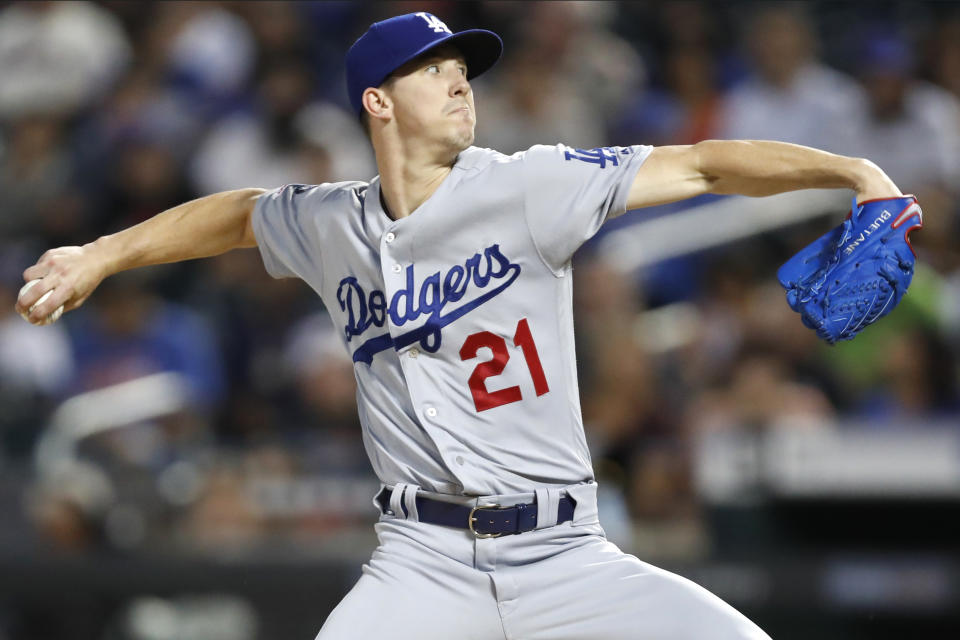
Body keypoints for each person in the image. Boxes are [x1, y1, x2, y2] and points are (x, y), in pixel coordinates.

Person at [17, 12, 904, 640]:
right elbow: (238, 214)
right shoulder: (330, 223)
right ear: (376, 101)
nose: (458, 81)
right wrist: (101, 254)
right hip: (422, 559)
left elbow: (704, 166)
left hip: (568, 556)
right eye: (432, 68)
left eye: (462, 68)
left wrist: (849, 170)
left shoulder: (528, 184)